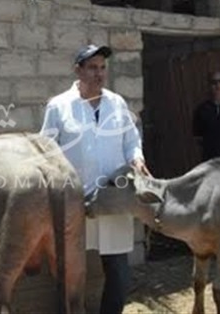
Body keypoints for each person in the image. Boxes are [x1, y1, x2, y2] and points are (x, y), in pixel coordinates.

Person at [40, 44, 150, 314]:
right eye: (92, 67)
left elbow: (131, 141)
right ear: (78, 70)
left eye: (102, 68)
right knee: (69, 274)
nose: (98, 74)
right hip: (74, 201)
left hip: (113, 197)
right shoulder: (59, 106)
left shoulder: (117, 103)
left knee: (120, 275)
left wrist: (137, 158)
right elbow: (46, 150)